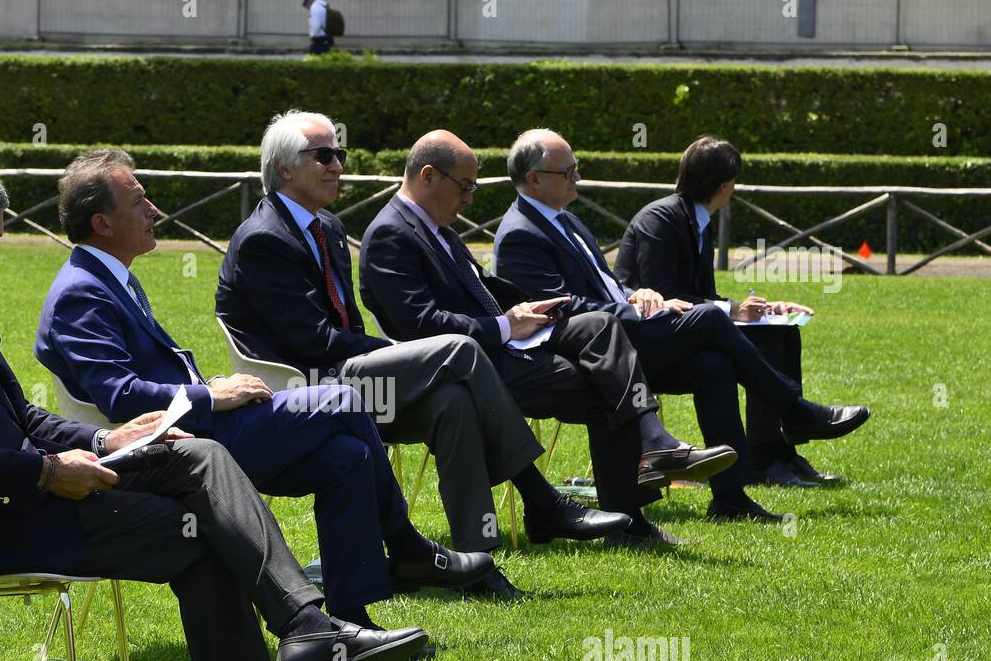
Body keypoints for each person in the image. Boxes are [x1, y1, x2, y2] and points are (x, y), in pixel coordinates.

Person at [0, 150, 431, 661]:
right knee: (203, 531)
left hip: (26, 496)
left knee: (198, 455)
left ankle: (299, 641)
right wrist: (43, 472)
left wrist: (110, 440)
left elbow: (25, 421)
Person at [34, 148, 494, 630]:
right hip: (173, 450)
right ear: (103, 224)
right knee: (344, 399)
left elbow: (142, 381)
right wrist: (213, 395)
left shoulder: (108, 279)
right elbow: (118, 396)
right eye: (139, 202)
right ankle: (405, 545)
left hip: (203, 431)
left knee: (347, 458)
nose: (154, 211)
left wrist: (210, 385)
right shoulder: (81, 292)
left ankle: (352, 616)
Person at [216, 110, 640, 595]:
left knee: (452, 403)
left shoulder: (327, 227)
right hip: (307, 390)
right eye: (325, 155)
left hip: (353, 381)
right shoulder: (262, 240)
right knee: (457, 351)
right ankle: (542, 500)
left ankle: (476, 563)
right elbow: (316, 342)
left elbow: (346, 326)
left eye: (340, 153)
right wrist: (397, 350)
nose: (338, 165)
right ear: (285, 168)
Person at [359, 130, 738, 546]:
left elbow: (484, 287)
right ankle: (625, 513)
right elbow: (421, 325)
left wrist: (535, 306)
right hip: (466, 368)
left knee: (598, 325)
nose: (470, 198)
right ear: (428, 175)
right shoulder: (390, 234)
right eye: (465, 186)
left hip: (503, 347)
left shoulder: (437, 228)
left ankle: (650, 455)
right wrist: (506, 326)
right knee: (606, 385)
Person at [495, 129, 870, 521]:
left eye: (577, 168)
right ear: (535, 179)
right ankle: (793, 410)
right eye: (568, 170)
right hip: (590, 354)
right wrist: (635, 310)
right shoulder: (521, 234)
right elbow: (560, 309)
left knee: (715, 366)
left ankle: (731, 498)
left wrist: (636, 295)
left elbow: (607, 285)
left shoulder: (566, 220)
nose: (577, 177)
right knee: (708, 317)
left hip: (620, 336)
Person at [615, 136, 868, 487]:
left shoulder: (694, 220)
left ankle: (780, 450)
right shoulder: (661, 219)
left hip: (683, 331)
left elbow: (700, 297)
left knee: (779, 329)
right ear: (724, 185)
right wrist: (732, 309)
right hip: (647, 342)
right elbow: (666, 297)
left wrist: (765, 309)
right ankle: (783, 429)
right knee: (761, 339)